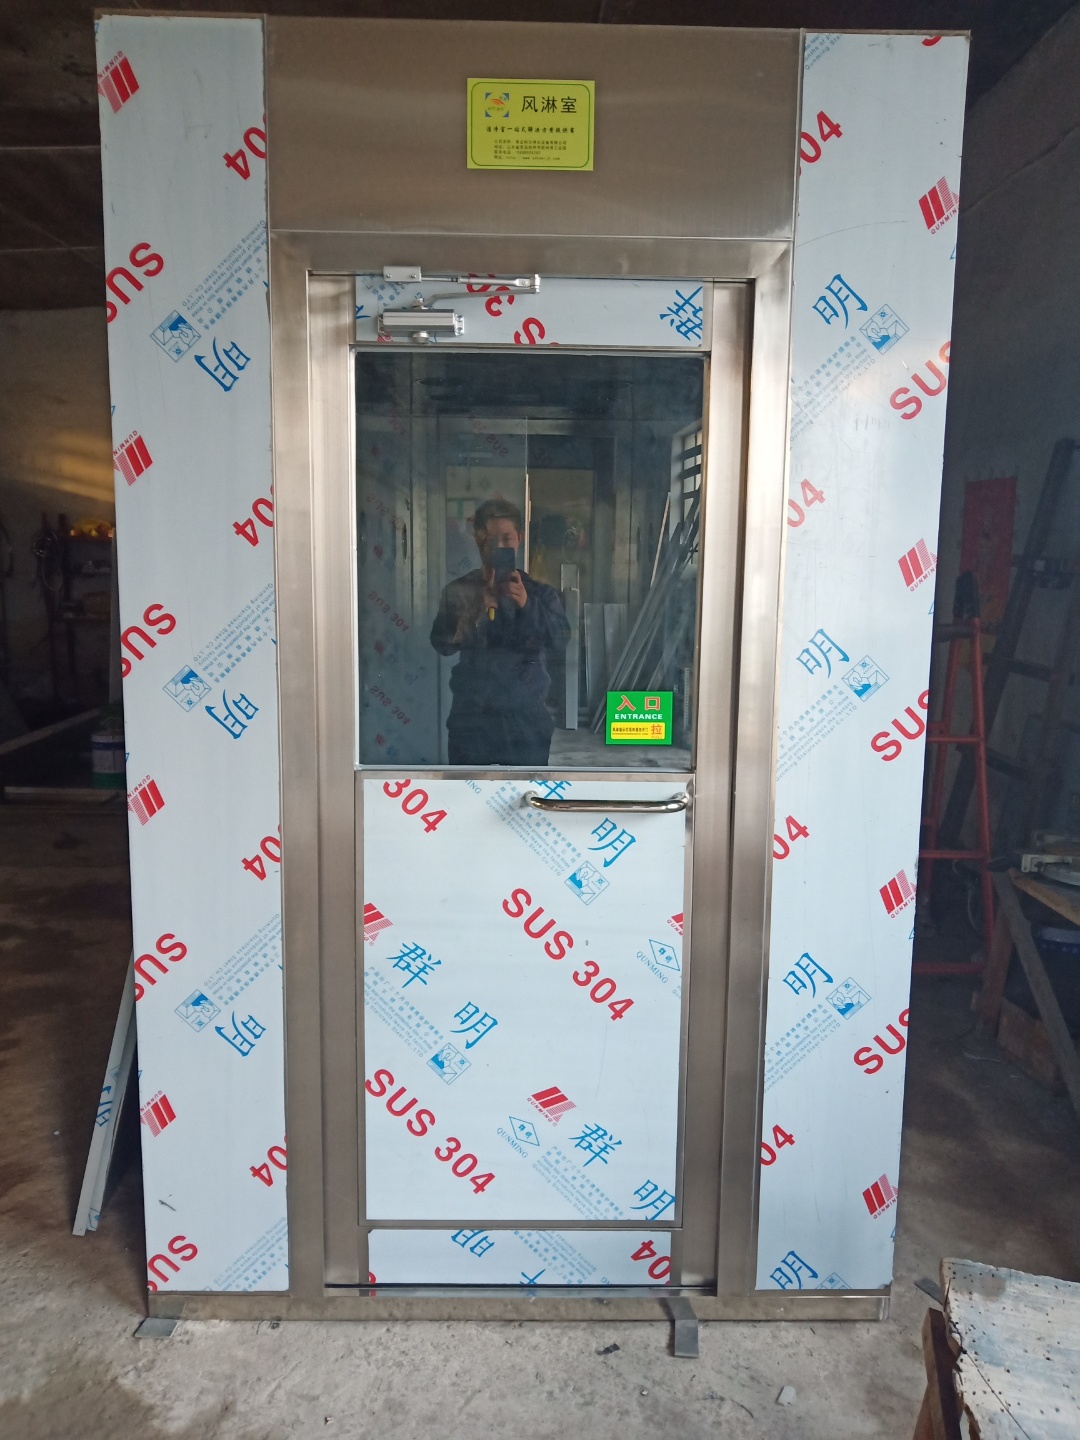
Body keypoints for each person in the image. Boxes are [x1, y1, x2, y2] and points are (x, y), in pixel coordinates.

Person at [430, 498, 570, 765]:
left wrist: (526, 605)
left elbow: (560, 640)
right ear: (478, 540)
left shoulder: (540, 594)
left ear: (519, 538)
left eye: (506, 539)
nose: (499, 547)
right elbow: (442, 644)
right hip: (472, 721)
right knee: (467, 790)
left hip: (525, 720)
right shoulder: (459, 591)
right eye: (490, 540)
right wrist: (473, 611)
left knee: (524, 790)